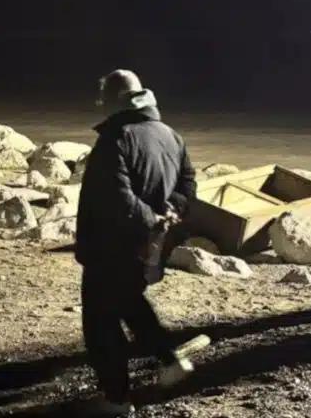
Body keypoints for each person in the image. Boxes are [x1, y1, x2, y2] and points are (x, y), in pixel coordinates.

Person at [75, 69, 208, 415]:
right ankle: (169, 359)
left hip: (110, 245)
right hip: (148, 245)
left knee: (101, 324)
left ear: (116, 100)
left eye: (104, 99)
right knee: (130, 303)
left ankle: (116, 399)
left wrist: (152, 217)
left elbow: (117, 199)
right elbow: (188, 184)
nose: (101, 106)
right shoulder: (171, 135)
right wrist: (170, 211)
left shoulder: (116, 138)